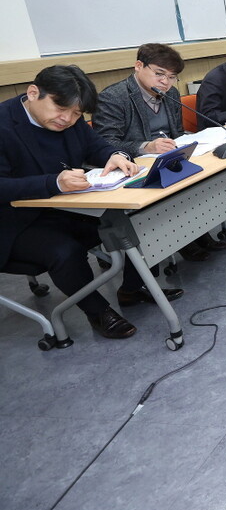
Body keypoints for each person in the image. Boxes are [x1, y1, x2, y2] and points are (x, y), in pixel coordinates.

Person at [0, 66, 155, 339]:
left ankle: (133, 288)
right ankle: (98, 312)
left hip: (64, 206)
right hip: (13, 222)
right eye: (61, 109)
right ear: (33, 93)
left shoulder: (69, 118)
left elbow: (96, 146)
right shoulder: (4, 124)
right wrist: (54, 183)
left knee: (130, 221)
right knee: (65, 251)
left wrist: (116, 156)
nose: (67, 119)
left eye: (76, 114)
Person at [93, 43, 226, 261]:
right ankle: (184, 240)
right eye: (159, 74)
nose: (165, 82)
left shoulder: (170, 93)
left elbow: (177, 133)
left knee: (200, 176)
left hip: (167, 160)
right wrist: (145, 146)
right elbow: (105, 143)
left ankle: (198, 232)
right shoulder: (114, 97)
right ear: (138, 66)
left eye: (172, 77)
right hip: (135, 167)